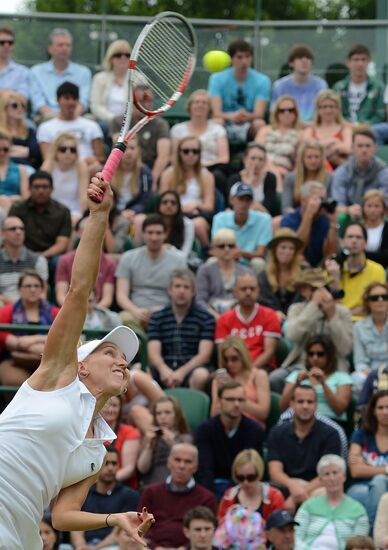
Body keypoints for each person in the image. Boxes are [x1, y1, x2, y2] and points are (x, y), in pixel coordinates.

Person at [0, 172, 154, 548]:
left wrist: (112, 518)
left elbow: (63, 515)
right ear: (81, 365)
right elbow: (79, 293)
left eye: (125, 359)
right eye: (110, 353)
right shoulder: (57, 375)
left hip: (21, 533)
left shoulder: (98, 449)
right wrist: (99, 215)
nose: (122, 363)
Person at [273, 268, 352, 393]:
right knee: (274, 379)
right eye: (316, 289)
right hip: (301, 364)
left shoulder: (342, 312)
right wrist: (313, 307)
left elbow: (345, 348)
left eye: (324, 288)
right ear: (303, 290)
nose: (322, 293)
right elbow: (292, 335)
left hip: (334, 366)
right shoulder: (296, 309)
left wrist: (332, 315)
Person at [267, 384, 342, 512]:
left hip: (318, 486)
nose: (305, 406)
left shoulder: (331, 434)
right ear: (292, 404)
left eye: (310, 402)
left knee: (326, 494)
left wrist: (298, 493)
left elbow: (330, 473)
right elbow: (275, 472)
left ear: (316, 405)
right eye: (300, 401)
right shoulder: (277, 432)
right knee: (269, 494)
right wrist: (293, 487)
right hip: (287, 485)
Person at [139, 442, 217, 550]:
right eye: (177, 460)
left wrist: (184, 548)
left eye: (188, 461)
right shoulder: (151, 492)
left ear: (195, 467)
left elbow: (206, 532)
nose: (181, 466)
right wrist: (155, 547)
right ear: (168, 463)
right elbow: (140, 527)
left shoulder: (207, 498)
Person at [195, 380, 265, 498]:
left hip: (243, 488)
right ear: (219, 401)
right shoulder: (205, 430)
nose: (236, 404)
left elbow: (250, 469)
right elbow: (205, 470)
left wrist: (230, 497)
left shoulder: (255, 430)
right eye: (230, 399)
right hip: (212, 487)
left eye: (241, 400)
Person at [147, 268, 215, 390]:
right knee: (137, 371)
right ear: (169, 290)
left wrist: (182, 372)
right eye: (177, 286)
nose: (181, 291)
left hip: (191, 368)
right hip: (164, 368)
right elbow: (153, 353)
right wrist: (163, 370)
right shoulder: (157, 318)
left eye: (186, 287)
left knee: (201, 375)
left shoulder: (206, 318)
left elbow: (205, 355)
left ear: (193, 291)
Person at [115, 213, 186, 329]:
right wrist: (135, 310)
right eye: (150, 233)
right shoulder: (128, 258)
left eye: (158, 233)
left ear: (165, 234)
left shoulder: (178, 260)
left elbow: (181, 293)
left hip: (167, 312)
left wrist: (162, 310)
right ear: (143, 234)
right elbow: (121, 294)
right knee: (123, 319)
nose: (154, 237)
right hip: (135, 312)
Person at [70, 446, 140, 549]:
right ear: (98, 464)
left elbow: (118, 533)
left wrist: (95, 549)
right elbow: (74, 525)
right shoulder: (84, 493)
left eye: (114, 463)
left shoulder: (130, 495)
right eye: (106, 463)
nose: (110, 468)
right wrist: (81, 546)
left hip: (113, 546)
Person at [295, 454, 369, 549]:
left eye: (335, 473)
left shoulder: (358, 510)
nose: (332, 478)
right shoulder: (308, 506)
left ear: (344, 476)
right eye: (326, 474)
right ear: (321, 480)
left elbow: (359, 545)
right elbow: (296, 537)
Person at [0, 269, 59, 387]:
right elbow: (10, 341)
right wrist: (43, 341)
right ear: (19, 289)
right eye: (28, 286)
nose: (32, 289)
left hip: (49, 362)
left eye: (36, 286)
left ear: (42, 289)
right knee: (15, 382)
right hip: (14, 360)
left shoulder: (55, 312)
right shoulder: (8, 311)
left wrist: (30, 341)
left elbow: (62, 336)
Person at [280, 335, 353, 427]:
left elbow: (339, 410)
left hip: (330, 423)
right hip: (299, 421)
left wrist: (323, 384)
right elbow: (283, 407)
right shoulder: (296, 375)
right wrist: (296, 384)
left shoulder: (342, 377)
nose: (315, 358)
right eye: (311, 354)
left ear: (329, 356)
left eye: (320, 354)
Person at [215, 271, 281, 372]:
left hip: (262, 369)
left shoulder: (270, 316)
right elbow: (222, 354)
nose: (248, 292)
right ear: (235, 292)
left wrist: (249, 371)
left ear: (258, 291)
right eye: (243, 289)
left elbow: (269, 352)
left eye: (252, 289)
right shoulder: (224, 319)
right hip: (233, 370)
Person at [208, 38, 271, 142]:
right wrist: (231, 116)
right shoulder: (216, 79)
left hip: (249, 125)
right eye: (239, 57)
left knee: (260, 124)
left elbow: (259, 114)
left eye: (247, 57)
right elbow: (216, 113)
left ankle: (257, 155)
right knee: (217, 122)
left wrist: (245, 116)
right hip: (226, 124)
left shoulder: (263, 80)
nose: (244, 61)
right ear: (231, 59)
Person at [37, 82, 105, 174]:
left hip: (88, 169)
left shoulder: (92, 126)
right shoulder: (45, 128)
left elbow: (100, 158)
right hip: (59, 170)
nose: (71, 102)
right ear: (57, 100)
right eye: (67, 98)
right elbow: (47, 159)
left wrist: (88, 163)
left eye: (74, 98)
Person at [159, 135, 215, 247]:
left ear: (200, 154)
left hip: (196, 213)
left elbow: (209, 206)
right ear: (179, 153)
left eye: (195, 151)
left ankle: (206, 252)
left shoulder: (207, 176)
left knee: (198, 224)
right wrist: (179, 208)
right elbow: (162, 201)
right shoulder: (168, 174)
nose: (191, 155)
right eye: (186, 151)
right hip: (172, 213)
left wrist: (196, 206)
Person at [112, 82, 170, 188]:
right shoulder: (118, 121)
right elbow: (117, 149)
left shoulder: (161, 124)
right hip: (123, 170)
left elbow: (163, 156)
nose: (147, 104)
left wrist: (152, 179)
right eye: (143, 100)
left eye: (149, 100)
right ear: (132, 102)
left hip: (148, 170)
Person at [170, 89, 229, 193]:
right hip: (182, 169)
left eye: (204, 103)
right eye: (196, 102)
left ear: (209, 108)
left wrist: (200, 166)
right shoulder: (177, 130)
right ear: (190, 106)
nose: (200, 105)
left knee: (219, 176)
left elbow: (224, 159)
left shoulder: (218, 130)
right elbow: (174, 158)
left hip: (210, 169)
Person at [325, 221, 386, 320]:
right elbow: (329, 307)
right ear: (343, 241)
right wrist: (335, 279)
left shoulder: (377, 270)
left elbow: (375, 304)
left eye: (358, 237)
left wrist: (345, 314)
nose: (354, 241)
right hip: (337, 323)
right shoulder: (333, 268)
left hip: (364, 323)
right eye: (350, 237)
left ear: (365, 243)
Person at [55, 215, 116, 309]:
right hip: (71, 310)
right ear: (79, 233)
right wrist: (76, 311)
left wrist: (92, 310)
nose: (93, 235)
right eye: (89, 232)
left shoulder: (109, 263)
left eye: (98, 231)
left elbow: (107, 299)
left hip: (97, 311)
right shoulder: (65, 260)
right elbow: (61, 296)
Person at [30, 27, 92, 119]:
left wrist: (70, 117)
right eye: (60, 45)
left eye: (68, 45)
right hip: (47, 118)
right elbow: (38, 102)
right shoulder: (36, 72)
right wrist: (58, 119)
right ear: (50, 48)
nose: (65, 48)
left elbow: (83, 101)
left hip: (75, 117)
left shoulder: (84, 72)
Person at [9, 171, 72, 260]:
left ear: (52, 189)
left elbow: (62, 244)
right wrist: (30, 256)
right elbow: (10, 236)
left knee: (58, 261)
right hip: (22, 254)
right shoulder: (17, 208)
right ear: (29, 188)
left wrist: (43, 256)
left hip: (51, 256)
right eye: (36, 187)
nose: (41, 191)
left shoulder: (63, 211)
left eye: (45, 187)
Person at [347, 390, 388, 527]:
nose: (385, 412)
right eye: (380, 408)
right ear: (373, 411)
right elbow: (355, 470)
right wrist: (386, 469)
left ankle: (369, 531)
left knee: (379, 482)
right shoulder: (361, 435)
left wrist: (368, 468)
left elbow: (361, 467)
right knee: (375, 485)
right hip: (361, 486)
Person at [212, 182, 272, 272]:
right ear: (231, 200)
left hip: (250, 262)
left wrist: (240, 253)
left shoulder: (264, 219)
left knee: (258, 263)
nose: (244, 203)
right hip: (226, 260)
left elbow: (261, 253)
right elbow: (216, 249)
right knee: (211, 262)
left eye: (248, 200)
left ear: (252, 202)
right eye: (240, 199)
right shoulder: (219, 219)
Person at [211, 336, 270, 425]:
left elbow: (263, 413)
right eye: (226, 360)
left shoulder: (259, 375)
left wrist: (233, 396)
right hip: (226, 427)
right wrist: (222, 390)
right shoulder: (220, 380)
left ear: (243, 356)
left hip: (252, 427)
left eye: (234, 359)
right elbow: (214, 415)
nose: (229, 364)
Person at [196, 228, 252, 319]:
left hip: (239, 316)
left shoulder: (246, 272)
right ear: (213, 250)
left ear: (237, 248)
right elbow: (200, 300)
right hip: (210, 316)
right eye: (221, 246)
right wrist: (215, 316)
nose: (227, 249)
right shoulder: (204, 270)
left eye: (231, 246)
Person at [218, 449, 285, 525]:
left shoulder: (274, 497)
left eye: (251, 477)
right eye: (240, 478)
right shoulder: (229, 496)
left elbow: (280, 528)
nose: (245, 482)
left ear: (259, 474)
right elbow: (221, 527)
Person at [280, 180, 339, 267]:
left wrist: (333, 223)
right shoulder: (289, 219)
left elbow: (331, 254)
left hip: (318, 266)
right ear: (303, 201)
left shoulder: (325, 220)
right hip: (293, 265)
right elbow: (297, 249)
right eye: (316, 198)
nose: (320, 203)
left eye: (323, 198)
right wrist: (308, 216)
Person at [137, 395, 191, 487]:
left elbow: (186, 464)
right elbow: (142, 469)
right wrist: (149, 445)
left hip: (175, 486)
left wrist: (172, 443)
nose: (162, 417)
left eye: (167, 412)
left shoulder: (186, 438)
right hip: (151, 486)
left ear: (176, 415)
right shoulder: (151, 438)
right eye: (159, 413)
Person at [331, 126, 388, 214]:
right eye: (360, 146)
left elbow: (385, 203)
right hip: (349, 218)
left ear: (375, 148)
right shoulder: (342, 172)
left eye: (368, 146)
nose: (364, 150)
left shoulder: (383, 171)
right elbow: (337, 204)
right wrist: (348, 210)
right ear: (352, 148)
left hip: (376, 217)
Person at [271, 43, 327, 123]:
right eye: (300, 58)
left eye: (308, 58)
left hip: (313, 129)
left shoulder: (321, 85)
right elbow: (274, 114)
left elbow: (324, 114)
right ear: (291, 63)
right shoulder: (279, 86)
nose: (304, 61)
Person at [41, 132, 89, 222]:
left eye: (72, 150)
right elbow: (42, 193)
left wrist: (81, 218)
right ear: (56, 151)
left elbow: (83, 196)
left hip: (75, 213)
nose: (68, 152)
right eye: (63, 149)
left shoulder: (81, 166)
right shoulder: (48, 165)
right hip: (51, 212)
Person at [257, 228, 303, 322]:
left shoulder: (303, 274)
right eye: (283, 247)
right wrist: (273, 313)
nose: (287, 252)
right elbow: (261, 302)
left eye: (291, 248)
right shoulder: (263, 276)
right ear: (275, 250)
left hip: (297, 321)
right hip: (270, 320)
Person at [0, 215, 48, 304]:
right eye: (13, 229)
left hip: (31, 308)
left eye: (21, 229)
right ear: (2, 234)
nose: (18, 232)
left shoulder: (38, 260)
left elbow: (42, 295)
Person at [333, 43, 385, 126]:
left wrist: (364, 125)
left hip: (370, 128)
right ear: (348, 62)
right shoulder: (339, 87)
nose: (360, 63)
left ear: (369, 62)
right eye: (356, 60)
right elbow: (334, 112)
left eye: (363, 59)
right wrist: (344, 123)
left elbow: (380, 114)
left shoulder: (378, 87)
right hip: (343, 127)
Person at [110, 134, 152, 234]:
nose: (128, 152)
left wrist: (133, 211)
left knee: (140, 220)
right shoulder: (108, 171)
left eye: (132, 148)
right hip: (112, 213)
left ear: (138, 150)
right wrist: (119, 213)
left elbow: (145, 199)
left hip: (134, 213)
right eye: (125, 148)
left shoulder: (144, 172)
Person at [255, 95, 301, 185]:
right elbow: (256, 152)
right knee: (274, 175)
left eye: (290, 110)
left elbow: (300, 160)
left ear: (296, 113)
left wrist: (291, 175)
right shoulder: (265, 130)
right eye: (282, 111)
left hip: (286, 171)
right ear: (276, 113)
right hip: (263, 165)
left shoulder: (300, 134)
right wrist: (273, 168)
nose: (286, 113)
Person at [353, 282, 388, 394]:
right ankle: (364, 410)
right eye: (374, 298)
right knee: (356, 380)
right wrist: (370, 372)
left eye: (384, 297)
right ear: (367, 302)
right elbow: (360, 361)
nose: (380, 300)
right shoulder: (358, 327)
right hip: (369, 373)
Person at [303, 89, 352, 168]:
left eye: (332, 107)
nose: (328, 110)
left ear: (337, 109)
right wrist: (334, 141)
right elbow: (306, 148)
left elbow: (346, 149)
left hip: (339, 169)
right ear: (318, 110)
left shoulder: (345, 129)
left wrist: (319, 145)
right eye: (324, 107)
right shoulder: (309, 130)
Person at [90, 39, 132, 129]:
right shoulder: (99, 78)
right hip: (105, 122)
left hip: (131, 123)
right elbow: (95, 106)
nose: (123, 58)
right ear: (111, 58)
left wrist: (126, 120)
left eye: (127, 55)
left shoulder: (139, 79)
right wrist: (113, 119)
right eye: (118, 55)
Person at [282, 140, 332, 213]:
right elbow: (286, 207)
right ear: (302, 159)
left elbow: (331, 205)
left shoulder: (329, 177)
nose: (313, 161)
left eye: (317, 157)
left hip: (321, 215)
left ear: (322, 158)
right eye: (309, 157)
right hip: (296, 215)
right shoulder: (290, 178)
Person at [101, 396, 141, 488]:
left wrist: (103, 482)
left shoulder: (129, 432)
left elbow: (129, 469)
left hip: (122, 486)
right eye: (106, 405)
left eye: (115, 405)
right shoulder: (90, 430)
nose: (110, 409)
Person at [226, 143, 277, 215]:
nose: (256, 162)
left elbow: (269, 209)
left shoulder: (270, 178)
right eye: (253, 158)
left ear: (265, 162)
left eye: (260, 159)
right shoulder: (234, 179)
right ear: (245, 159)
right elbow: (232, 205)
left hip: (261, 217)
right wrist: (250, 181)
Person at [0, 90, 40, 170]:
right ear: (4, 108)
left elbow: (34, 152)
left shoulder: (29, 131)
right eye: (15, 105)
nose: (20, 108)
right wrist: (22, 150)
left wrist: (9, 150)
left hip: (25, 168)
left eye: (22, 105)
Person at [155, 190, 195, 259]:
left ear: (179, 206)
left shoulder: (187, 224)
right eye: (165, 202)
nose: (169, 205)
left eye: (173, 203)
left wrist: (170, 248)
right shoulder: (152, 223)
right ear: (158, 205)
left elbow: (185, 255)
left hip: (178, 265)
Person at [0, 126, 28, 215]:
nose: (2, 153)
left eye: (5, 149)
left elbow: (26, 198)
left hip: (16, 209)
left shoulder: (21, 170)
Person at [0, 27, 30, 99]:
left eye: (10, 43)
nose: (6, 46)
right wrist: (11, 94)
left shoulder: (23, 72)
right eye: (2, 42)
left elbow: (22, 99)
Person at [362, 189, 388, 268]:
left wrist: (361, 255)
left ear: (383, 208)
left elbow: (386, 257)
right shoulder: (357, 227)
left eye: (377, 206)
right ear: (363, 207)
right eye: (369, 206)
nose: (372, 210)